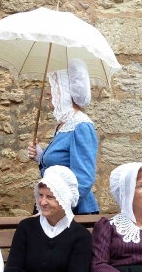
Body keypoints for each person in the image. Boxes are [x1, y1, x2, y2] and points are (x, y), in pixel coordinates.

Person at [27, 58, 99, 215]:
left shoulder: (81, 126)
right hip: (51, 207)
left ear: (66, 91)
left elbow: (84, 179)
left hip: (72, 213)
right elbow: (60, 170)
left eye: (54, 86)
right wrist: (41, 158)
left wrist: (58, 209)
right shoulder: (64, 124)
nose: (48, 92)